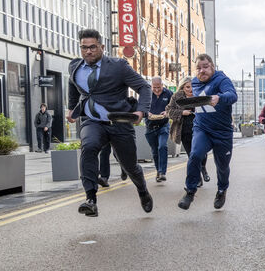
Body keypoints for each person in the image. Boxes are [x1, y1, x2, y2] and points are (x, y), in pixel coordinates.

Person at [66, 29, 153, 217]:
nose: (88, 51)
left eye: (92, 47)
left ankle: (142, 190)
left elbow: (144, 87)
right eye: (84, 48)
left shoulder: (118, 66)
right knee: (88, 148)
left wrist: (140, 110)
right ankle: (91, 200)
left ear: (102, 47)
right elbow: (73, 86)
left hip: (119, 122)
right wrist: (71, 108)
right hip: (92, 121)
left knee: (130, 166)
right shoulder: (74, 67)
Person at [177, 54, 237, 211]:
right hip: (202, 128)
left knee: (222, 166)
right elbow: (181, 98)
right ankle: (190, 192)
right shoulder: (194, 82)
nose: (201, 71)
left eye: (205, 67)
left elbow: (232, 95)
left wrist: (220, 97)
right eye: (198, 68)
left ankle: (222, 190)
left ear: (212, 67)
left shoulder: (221, 80)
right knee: (195, 155)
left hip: (222, 131)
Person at [165, 77, 210, 187]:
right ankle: (198, 178)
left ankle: (203, 167)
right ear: (183, 87)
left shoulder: (200, 94)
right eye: (187, 87)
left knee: (203, 153)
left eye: (192, 86)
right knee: (192, 156)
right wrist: (182, 112)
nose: (190, 89)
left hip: (200, 129)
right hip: (184, 130)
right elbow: (169, 110)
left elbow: (210, 110)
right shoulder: (177, 96)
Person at [145, 77, 173, 183]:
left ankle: (162, 172)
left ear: (162, 85)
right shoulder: (147, 94)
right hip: (150, 127)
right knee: (155, 151)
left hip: (163, 125)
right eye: (154, 87)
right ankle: (158, 170)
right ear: (151, 86)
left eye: (159, 87)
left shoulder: (169, 94)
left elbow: (173, 107)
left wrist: (167, 113)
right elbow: (141, 108)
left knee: (162, 146)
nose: (157, 90)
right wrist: (147, 113)